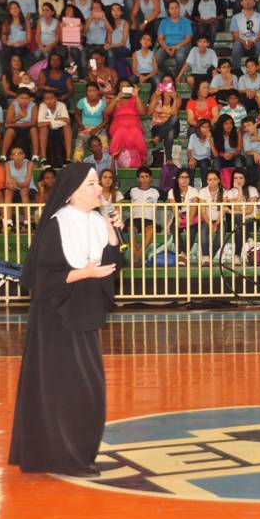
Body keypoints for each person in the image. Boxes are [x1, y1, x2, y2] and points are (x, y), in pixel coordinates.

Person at [10, 163, 124, 478]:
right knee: (67, 391)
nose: (99, 188)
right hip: (56, 321)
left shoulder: (97, 220)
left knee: (90, 390)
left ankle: (81, 454)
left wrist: (113, 232)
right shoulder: (56, 225)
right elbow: (42, 279)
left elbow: (114, 265)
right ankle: (66, 458)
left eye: (98, 183)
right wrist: (83, 273)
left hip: (84, 314)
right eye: (92, 184)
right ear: (73, 192)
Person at [106, 80, 147, 168]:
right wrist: (115, 99)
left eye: (127, 86)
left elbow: (142, 112)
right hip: (118, 125)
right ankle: (113, 161)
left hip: (134, 124)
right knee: (121, 131)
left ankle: (143, 161)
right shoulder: (115, 99)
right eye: (122, 86)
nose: (124, 88)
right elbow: (107, 112)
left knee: (136, 131)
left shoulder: (134, 98)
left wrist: (136, 96)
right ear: (119, 88)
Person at [224, 169, 259, 265]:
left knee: (238, 226)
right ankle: (249, 238)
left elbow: (250, 210)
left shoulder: (252, 189)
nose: (238, 180)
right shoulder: (230, 192)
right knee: (238, 221)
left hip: (252, 220)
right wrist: (239, 190)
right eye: (235, 178)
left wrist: (231, 211)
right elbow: (237, 207)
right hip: (238, 221)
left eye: (241, 178)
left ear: (245, 179)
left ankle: (237, 255)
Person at [167, 168, 200, 267]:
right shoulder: (172, 191)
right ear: (177, 179)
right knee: (174, 228)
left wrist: (189, 220)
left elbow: (194, 207)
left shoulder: (193, 190)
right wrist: (178, 218)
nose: (184, 179)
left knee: (192, 229)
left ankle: (182, 255)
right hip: (179, 215)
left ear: (189, 179)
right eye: (181, 177)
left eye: (186, 177)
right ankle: (182, 253)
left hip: (191, 215)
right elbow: (174, 208)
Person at [125, 166, 161, 257]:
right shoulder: (132, 190)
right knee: (131, 230)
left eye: (146, 176)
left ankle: (138, 254)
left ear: (151, 178)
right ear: (138, 179)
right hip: (135, 219)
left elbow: (168, 199)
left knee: (151, 230)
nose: (144, 179)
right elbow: (122, 199)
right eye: (142, 177)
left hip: (149, 220)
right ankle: (135, 253)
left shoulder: (156, 191)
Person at [148, 74, 181, 165]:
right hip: (157, 127)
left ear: (173, 84)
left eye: (169, 81)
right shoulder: (156, 95)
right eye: (164, 82)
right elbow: (149, 112)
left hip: (173, 125)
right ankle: (169, 158)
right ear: (161, 84)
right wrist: (155, 96)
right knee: (170, 131)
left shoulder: (177, 98)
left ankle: (158, 138)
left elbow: (174, 113)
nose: (167, 83)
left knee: (174, 118)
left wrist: (175, 99)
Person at [1, 89, 40, 163]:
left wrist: (16, 124)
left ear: (29, 99)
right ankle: (3, 156)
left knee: (34, 129)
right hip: (15, 127)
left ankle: (35, 156)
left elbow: (33, 122)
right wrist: (19, 117)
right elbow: (8, 121)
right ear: (17, 98)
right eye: (21, 98)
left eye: (26, 98)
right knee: (10, 131)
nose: (24, 100)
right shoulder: (13, 104)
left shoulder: (33, 105)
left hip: (28, 127)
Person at [197, 169, 227, 266]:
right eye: (210, 179)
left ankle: (209, 257)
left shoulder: (224, 192)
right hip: (206, 219)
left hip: (220, 220)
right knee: (203, 235)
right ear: (207, 181)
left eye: (215, 179)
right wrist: (210, 223)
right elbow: (202, 211)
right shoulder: (203, 191)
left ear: (219, 180)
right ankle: (205, 256)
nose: (212, 182)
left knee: (220, 238)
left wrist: (216, 224)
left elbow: (223, 210)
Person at [74, 82, 109, 162]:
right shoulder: (82, 102)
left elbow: (106, 120)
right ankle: (77, 162)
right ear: (86, 92)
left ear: (98, 92)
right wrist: (81, 125)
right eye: (89, 91)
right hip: (85, 128)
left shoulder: (103, 103)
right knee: (79, 141)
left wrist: (96, 129)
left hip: (99, 129)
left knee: (104, 143)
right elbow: (77, 114)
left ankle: (105, 162)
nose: (92, 93)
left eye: (94, 91)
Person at [37, 90, 73, 167]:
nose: (49, 101)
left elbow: (67, 120)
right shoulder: (42, 106)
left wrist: (50, 122)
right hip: (48, 129)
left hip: (60, 129)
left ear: (56, 99)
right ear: (44, 100)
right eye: (47, 99)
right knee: (43, 129)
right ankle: (44, 159)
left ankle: (68, 159)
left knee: (67, 127)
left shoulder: (61, 105)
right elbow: (40, 124)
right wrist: (58, 120)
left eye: (52, 98)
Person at [230, 0, 260, 70]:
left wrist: (252, 41)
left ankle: (257, 69)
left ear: (254, 3)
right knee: (236, 45)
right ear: (241, 3)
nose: (248, 1)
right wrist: (244, 42)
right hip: (241, 42)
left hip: (255, 42)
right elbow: (235, 36)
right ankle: (236, 70)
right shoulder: (235, 18)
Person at [156, 0, 192, 70]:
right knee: (157, 57)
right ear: (168, 10)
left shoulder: (186, 21)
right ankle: (168, 74)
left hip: (182, 46)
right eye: (171, 8)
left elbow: (188, 38)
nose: (174, 10)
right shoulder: (164, 22)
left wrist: (176, 47)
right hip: (167, 46)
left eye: (176, 8)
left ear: (179, 9)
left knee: (180, 56)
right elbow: (160, 38)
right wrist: (166, 49)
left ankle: (177, 74)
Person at [187, 118, 215, 182]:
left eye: (208, 127)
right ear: (199, 128)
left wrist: (209, 139)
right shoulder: (193, 136)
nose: (206, 129)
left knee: (203, 164)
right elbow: (189, 152)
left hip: (205, 159)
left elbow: (215, 154)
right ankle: (191, 185)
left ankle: (204, 185)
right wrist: (191, 158)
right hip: (194, 158)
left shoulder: (211, 138)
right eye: (203, 127)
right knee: (191, 165)